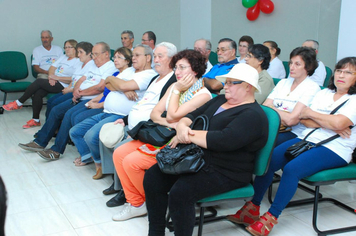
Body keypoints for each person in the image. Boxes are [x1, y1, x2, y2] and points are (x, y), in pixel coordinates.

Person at [229, 57, 356, 236]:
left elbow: (337, 121)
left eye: (348, 72)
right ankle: (252, 208)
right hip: (308, 138)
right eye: (339, 71)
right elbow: (304, 119)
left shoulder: (354, 100)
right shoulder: (324, 93)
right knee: (270, 160)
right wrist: (329, 122)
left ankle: (271, 216)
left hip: (336, 148)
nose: (341, 75)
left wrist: (317, 117)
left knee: (291, 168)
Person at [143, 63, 268, 236]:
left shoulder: (253, 115)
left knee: (181, 193)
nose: (226, 86)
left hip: (227, 170)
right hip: (198, 158)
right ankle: (155, 232)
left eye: (232, 82)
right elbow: (190, 116)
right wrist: (182, 128)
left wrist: (186, 134)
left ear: (248, 87)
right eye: (227, 82)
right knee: (153, 177)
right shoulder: (219, 100)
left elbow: (223, 140)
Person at [112, 49, 212, 221]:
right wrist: (171, 123)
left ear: (195, 70)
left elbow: (171, 114)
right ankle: (137, 202)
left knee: (132, 161)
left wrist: (175, 94)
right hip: (163, 135)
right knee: (119, 153)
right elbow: (155, 114)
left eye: (182, 68)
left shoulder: (202, 94)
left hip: (180, 144)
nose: (177, 72)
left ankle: (154, 202)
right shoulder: (175, 86)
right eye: (176, 68)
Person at [100, 42, 178, 207]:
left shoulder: (173, 81)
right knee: (118, 149)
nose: (156, 60)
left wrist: (137, 130)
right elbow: (143, 103)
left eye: (160, 56)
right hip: (137, 127)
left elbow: (162, 113)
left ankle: (130, 195)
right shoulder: (155, 78)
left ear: (171, 60)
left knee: (123, 152)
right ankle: (128, 193)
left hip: (151, 132)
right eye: (155, 56)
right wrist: (127, 120)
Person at [18, 42, 117, 161]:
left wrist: (80, 93)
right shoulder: (94, 64)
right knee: (55, 110)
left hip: (91, 99)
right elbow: (81, 79)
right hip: (79, 96)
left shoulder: (110, 67)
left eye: (96, 54)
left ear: (106, 54)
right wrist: (75, 91)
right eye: (93, 54)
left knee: (68, 115)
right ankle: (40, 142)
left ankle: (56, 150)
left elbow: (100, 87)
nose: (94, 57)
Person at [69, 45, 157, 179]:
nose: (133, 58)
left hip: (120, 115)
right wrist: (124, 88)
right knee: (75, 131)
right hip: (106, 110)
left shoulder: (149, 75)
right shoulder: (131, 71)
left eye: (137, 55)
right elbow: (108, 84)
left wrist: (119, 85)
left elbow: (116, 84)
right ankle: (93, 159)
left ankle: (101, 165)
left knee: (91, 136)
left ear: (148, 58)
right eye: (133, 55)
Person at [3, 39, 81, 128]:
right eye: (65, 47)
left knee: (39, 82)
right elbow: (52, 67)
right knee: (38, 93)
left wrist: (57, 78)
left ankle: (19, 102)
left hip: (64, 85)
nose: (67, 49)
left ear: (75, 48)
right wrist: (51, 76)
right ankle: (35, 120)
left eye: (69, 47)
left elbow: (74, 79)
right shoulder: (63, 57)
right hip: (54, 81)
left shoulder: (78, 61)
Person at [263, 47, 321, 146]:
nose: (291, 67)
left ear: (308, 67)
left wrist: (273, 109)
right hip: (272, 126)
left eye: (297, 64)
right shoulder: (283, 82)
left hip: (293, 132)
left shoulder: (312, 88)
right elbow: (265, 107)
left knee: (260, 142)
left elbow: (291, 120)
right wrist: (284, 115)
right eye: (291, 63)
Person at [45, 42, 94, 120]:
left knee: (55, 105)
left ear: (89, 53)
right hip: (71, 89)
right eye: (78, 52)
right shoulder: (80, 63)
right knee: (50, 101)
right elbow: (74, 78)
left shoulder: (91, 65)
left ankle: (52, 127)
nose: (78, 55)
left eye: (81, 52)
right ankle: (49, 125)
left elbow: (85, 83)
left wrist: (70, 89)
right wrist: (68, 87)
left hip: (78, 93)